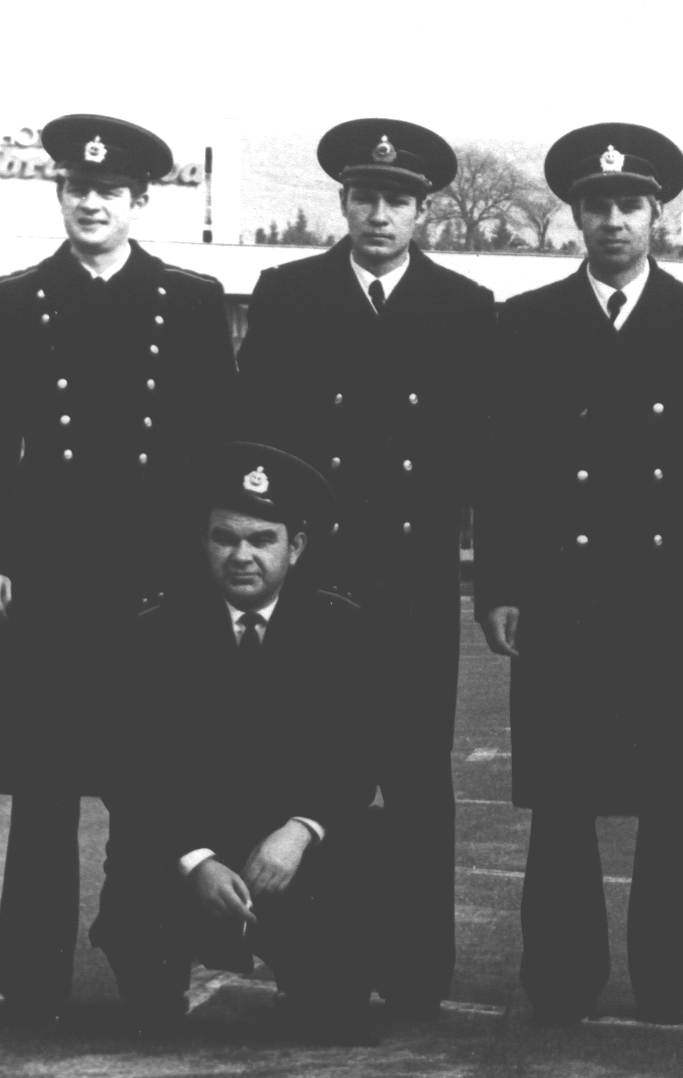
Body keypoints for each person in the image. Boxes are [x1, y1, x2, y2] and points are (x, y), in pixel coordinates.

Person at [474, 123, 683, 1025]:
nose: (613, 221)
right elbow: (503, 471)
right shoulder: (527, 323)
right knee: (563, 798)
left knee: (671, 799)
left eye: (629, 205)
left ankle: (668, 976)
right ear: (576, 216)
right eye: (597, 206)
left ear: (657, 215)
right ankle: (562, 974)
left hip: (670, 597)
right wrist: (500, 586)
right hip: (563, 597)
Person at [0, 114, 237, 1026]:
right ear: (61, 195)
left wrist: (214, 568)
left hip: (157, 583)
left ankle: (151, 963)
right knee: (44, 793)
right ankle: (28, 977)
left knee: (152, 786)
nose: (91, 204)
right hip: (49, 582)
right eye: (77, 188)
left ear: (139, 201)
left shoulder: (188, 301)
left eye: (109, 192)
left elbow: (217, 447)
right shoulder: (16, 301)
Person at [236, 119, 496, 1022]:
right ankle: (317, 963)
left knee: (418, 773)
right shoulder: (290, 294)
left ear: (423, 212)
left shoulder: (464, 306)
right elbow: (255, 436)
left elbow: (483, 453)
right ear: (343, 204)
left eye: (397, 200)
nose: (379, 215)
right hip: (318, 581)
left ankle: (420, 968)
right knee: (311, 767)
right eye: (365, 197)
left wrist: (493, 578)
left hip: (414, 579)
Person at [90, 443, 378, 1042]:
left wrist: (301, 830)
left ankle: (310, 976)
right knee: (148, 1013)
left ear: (296, 547)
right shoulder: (155, 633)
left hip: (287, 856)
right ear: (203, 542)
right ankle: (159, 969)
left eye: (262, 540)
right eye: (225, 538)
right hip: (190, 853)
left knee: (332, 1015)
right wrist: (195, 861)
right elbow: (127, 770)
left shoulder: (341, 632)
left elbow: (357, 759)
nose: (242, 556)